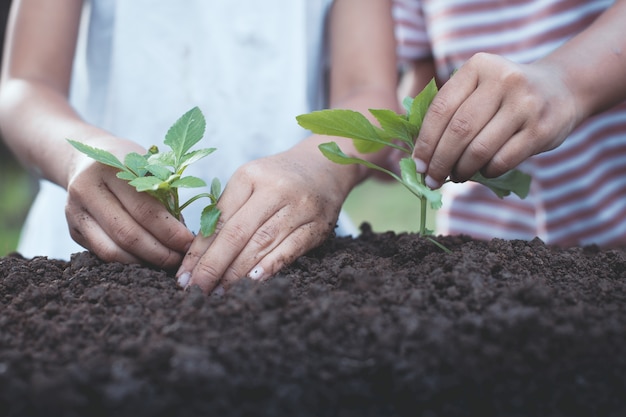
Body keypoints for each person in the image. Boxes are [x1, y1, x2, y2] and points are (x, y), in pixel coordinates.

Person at [0, 0, 399, 293]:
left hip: (287, 252)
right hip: (92, 255)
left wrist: (319, 166)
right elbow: (24, 85)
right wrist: (80, 155)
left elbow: (371, 93)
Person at [392, 0, 626, 247]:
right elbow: (424, 78)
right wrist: (400, 137)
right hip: (480, 239)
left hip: (611, 222)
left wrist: (565, 82)